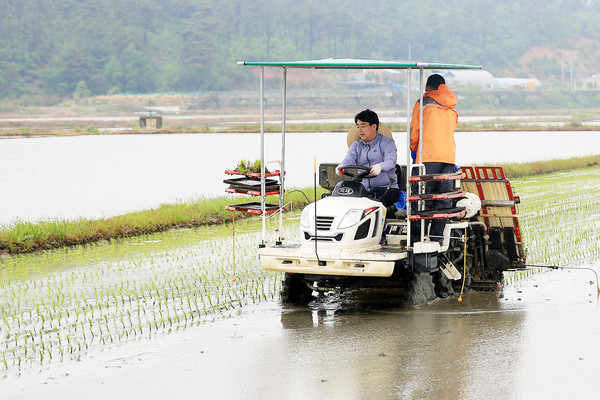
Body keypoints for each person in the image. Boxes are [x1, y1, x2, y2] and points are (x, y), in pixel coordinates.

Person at [409, 74, 458, 243]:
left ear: (428, 88)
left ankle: (416, 239)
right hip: (449, 157)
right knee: (443, 199)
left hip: (428, 156)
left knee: (422, 199)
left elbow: (415, 131)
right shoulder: (452, 105)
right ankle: (437, 238)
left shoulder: (423, 103)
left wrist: (413, 150)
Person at [336, 109, 400, 207]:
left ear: (374, 126)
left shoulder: (387, 143)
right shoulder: (356, 145)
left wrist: (380, 166)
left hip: (388, 188)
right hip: (364, 188)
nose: (359, 130)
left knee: (375, 195)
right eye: (358, 127)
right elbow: (349, 159)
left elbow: (390, 161)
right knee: (344, 193)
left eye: (363, 126)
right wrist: (341, 166)